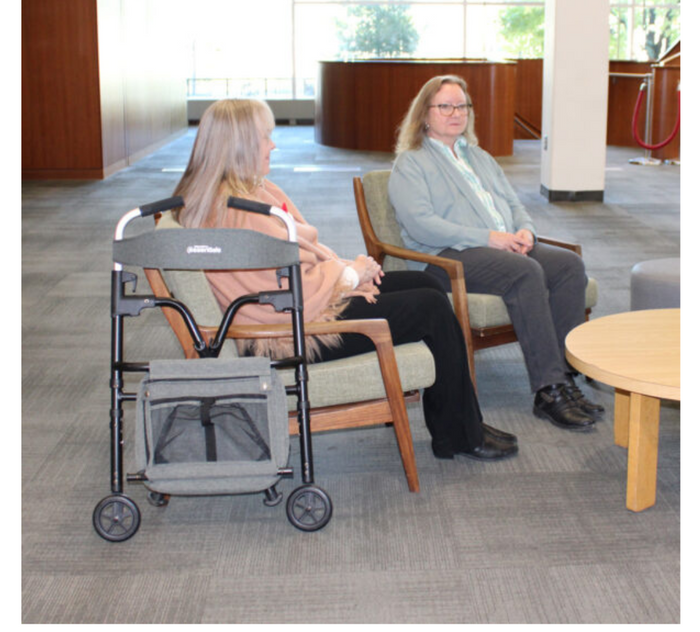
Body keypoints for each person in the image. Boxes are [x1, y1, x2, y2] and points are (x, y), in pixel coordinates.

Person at [171, 98, 518, 462]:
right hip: (283, 335)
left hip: (295, 312)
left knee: (425, 285)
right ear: (238, 144)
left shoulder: (240, 192)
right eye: (265, 137)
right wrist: (349, 274)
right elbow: (282, 291)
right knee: (430, 306)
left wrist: (350, 272)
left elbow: (289, 269)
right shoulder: (236, 211)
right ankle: (461, 434)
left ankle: (461, 421)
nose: (273, 145)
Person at [388, 75, 604, 431]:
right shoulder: (411, 163)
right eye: (445, 106)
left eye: (462, 105)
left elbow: (512, 203)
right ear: (425, 114)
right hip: (445, 259)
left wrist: (525, 231)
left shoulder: (480, 157)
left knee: (568, 265)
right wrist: (489, 237)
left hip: (501, 246)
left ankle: (565, 378)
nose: (455, 113)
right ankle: (548, 390)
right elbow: (422, 225)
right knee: (525, 273)